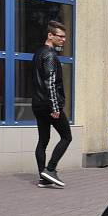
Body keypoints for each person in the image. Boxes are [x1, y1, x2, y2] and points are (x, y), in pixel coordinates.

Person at [31, 20, 71, 188]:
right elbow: (50, 82)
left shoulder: (38, 53)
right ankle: (50, 169)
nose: (63, 40)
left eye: (64, 37)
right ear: (50, 35)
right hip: (49, 105)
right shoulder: (50, 55)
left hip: (38, 104)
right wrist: (55, 107)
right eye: (60, 36)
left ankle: (43, 178)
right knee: (67, 137)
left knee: (43, 140)